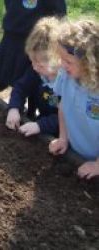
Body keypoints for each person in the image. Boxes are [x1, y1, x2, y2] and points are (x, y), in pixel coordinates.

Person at [49, 18, 99, 180]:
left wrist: (98, 164)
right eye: (61, 59)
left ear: (89, 63)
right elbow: (63, 106)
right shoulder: (65, 76)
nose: (62, 65)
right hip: (76, 149)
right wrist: (63, 138)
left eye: (68, 61)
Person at [6, 17, 60, 137]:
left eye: (40, 65)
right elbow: (20, 87)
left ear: (58, 61)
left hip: (63, 135)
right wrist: (14, 108)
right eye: (32, 62)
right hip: (42, 121)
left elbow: (68, 118)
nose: (35, 68)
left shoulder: (67, 83)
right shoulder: (36, 71)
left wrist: (40, 125)